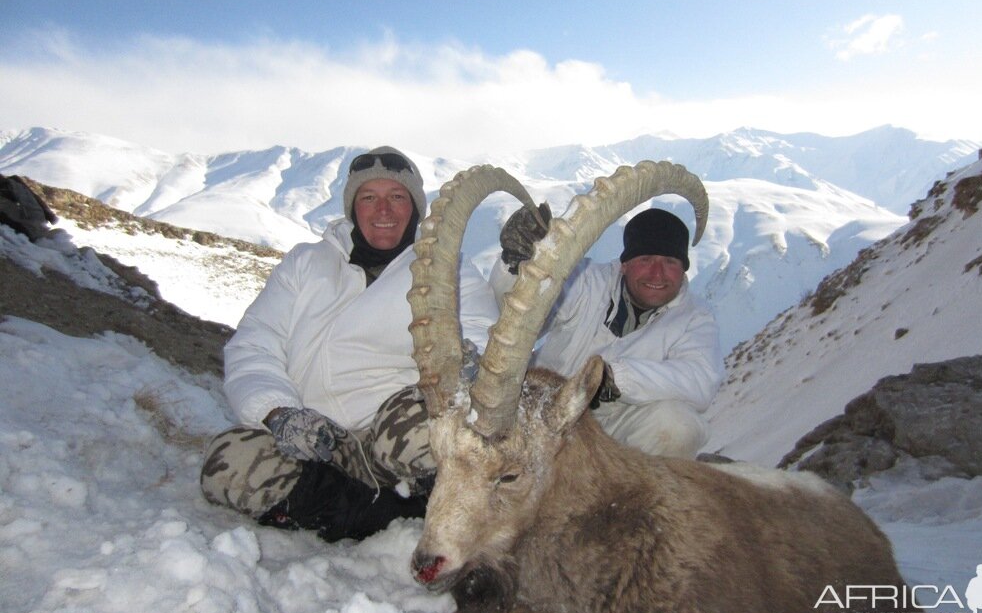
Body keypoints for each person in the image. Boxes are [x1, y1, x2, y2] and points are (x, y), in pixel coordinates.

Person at [201, 146, 499, 542]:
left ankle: (357, 508)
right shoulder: (305, 263)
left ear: (415, 207)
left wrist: (469, 362)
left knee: (424, 428)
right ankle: (391, 516)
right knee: (227, 462)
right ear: (351, 207)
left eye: (396, 197)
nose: (383, 211)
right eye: (368, 198)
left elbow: (480, 333)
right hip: (315, 444)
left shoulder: (449, 269)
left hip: (393, 440)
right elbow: (254, 346)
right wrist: (279, 413)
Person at [491, 205, 724, 459]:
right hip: (538, 409)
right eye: (645, 259)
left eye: (670, 262)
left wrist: (615, 378)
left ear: (683, 269)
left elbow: (700, 380)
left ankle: (628, 495)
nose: (657, 273)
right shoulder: (585, 280)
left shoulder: (695, 317)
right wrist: (516, 265)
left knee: (679, 426)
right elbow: (524, 316)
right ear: (625, 265)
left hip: (613, 429)